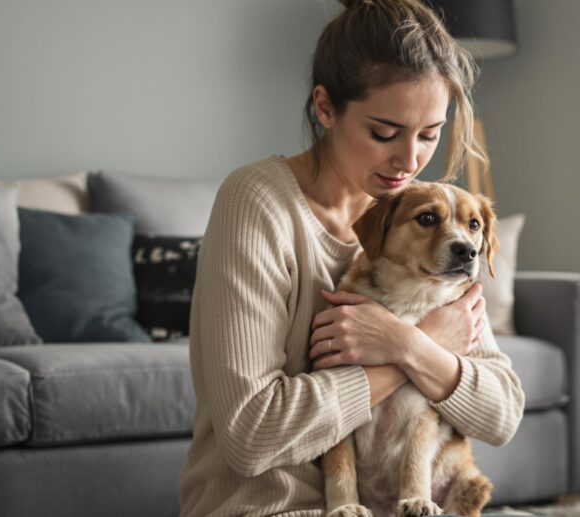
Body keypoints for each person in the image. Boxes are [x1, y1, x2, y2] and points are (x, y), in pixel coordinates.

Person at [178, 0, 525, 515]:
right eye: (384, 133)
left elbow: (501, 414)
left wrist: (408, 345)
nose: (409, 161)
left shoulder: (421, 236)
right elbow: (250, 436)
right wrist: (419, 346)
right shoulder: (258, 204)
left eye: (430, 135)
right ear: (325, 108)